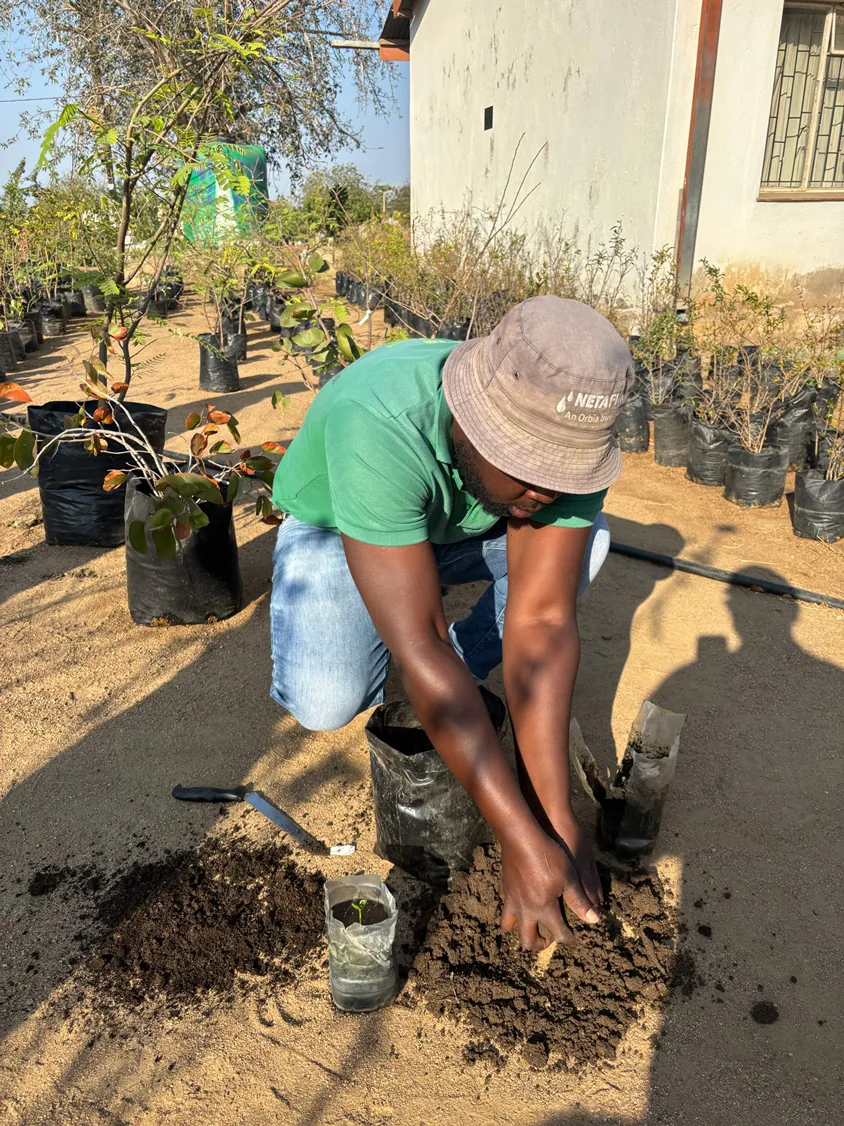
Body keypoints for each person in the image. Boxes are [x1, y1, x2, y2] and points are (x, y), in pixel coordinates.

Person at [270, 295, 634, 951]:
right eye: (529, 467)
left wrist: (558, 822)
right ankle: (422, 662)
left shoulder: (569, 439)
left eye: (563, 474)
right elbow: (422, 641)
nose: (550, 491)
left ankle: (454, 680)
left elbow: (544, 623)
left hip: (464, 527)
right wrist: (514, 834)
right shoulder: (380, 417)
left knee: (592, 543)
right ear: (472, 421)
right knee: (328, 698)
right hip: (344, 525)